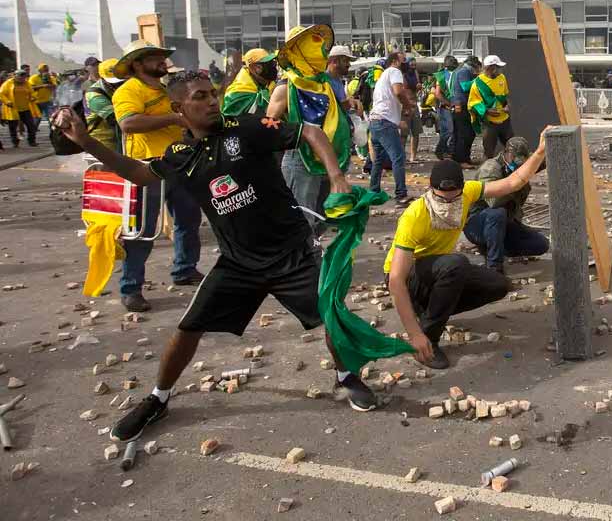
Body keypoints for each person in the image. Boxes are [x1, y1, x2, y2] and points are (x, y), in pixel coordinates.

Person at [51, 70, 381, 441]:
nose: (211, 101)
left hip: (292, 253)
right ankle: (158, 398)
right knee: (187, 329)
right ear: (179, 108)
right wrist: (84, 141)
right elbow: (138, 173)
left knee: (331, 317)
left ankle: (346, 377)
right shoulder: (180, 154)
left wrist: (336, 176)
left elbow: (309, 131)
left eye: (212, 94)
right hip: (238, 263)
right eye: (200, 97)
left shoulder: (249, 126)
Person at [386, 132, 549, 369]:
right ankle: (428, 339)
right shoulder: (415, 216)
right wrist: (414, 334)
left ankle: (430, 311)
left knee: (498, 284)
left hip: (438, 270)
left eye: (454, 199)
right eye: (442, 199)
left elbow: (513, 182)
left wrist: (540, 151)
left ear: (463, 190)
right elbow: (395, 280)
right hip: (410, 278)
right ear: (431, 191)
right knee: (456, 264)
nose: (449, 205)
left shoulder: (470, 192)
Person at [111, 40, 204, 312]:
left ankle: (185, 269)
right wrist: (174, 120)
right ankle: (131, 288)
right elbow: (128, 123)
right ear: (138, 64)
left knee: (188, 220)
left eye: (163, 57)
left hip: (178, 163)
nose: (162, 61)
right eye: (155, 58)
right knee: (142, 231)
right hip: (146, 168)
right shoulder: (129, 90)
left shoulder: (164, 89)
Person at [267, 25, 354, 243]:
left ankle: (308, 252)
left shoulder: (322, 83)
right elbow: (269, 125)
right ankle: (300, 264)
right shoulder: (286, 86)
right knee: (301, 218)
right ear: (301, 51)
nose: (322, 50)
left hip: (328, 159)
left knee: (324, 214)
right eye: (313, 45)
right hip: (301, 160)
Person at [464, 137, 549, 273]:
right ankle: (494, 268)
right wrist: (516, 182)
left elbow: (540, 162)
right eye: (517, 162)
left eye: (523, 163)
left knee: (540, 245)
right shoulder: (490, 168)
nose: (520, 166)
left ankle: (495, 246)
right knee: (498, 213)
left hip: (505, 223)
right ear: (508, 154)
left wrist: (546, 149)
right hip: (478, 222)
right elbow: (494, 202)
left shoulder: (519, 165)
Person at [368, 50, 411, 206]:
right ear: (395, 61)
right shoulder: (394, 71)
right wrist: (407, 106)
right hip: (384, 122)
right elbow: (398, 91)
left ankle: (373, 192)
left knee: (378, 160)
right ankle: (401, 195)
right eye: (403, 60)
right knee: (398, 157)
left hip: (375, 121)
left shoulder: (383, 77)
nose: (406, 63)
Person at [469, 55, 514, 159]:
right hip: (489, 124)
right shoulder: (478, 84)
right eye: (498, 67)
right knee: (488, 151)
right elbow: (472, 104)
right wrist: (487, 111)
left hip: (505, 121)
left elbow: (505, 95)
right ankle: (487, 172)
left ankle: (513, 171)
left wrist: (507, 105)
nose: (500, 69)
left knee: (513, 148)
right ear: (491, 68)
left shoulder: (502, 77)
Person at [83, 58, 126, 151]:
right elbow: (117, 119)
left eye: (121, 81)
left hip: (118, 138)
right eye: (114, 82)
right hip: (102, 142)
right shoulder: (94, 95)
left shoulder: (121, 88)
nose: (119, 85)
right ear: (102, 78)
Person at [221, 48, 277, 117]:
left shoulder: (261, 82)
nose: (273, 67)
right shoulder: (237, 92)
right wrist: (274, 91)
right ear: (253, 68)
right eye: (268, 65)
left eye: (272, 63)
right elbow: (258, 110)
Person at [450, 55, 480, 167]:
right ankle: (462, 160)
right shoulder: (464, 72)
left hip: (460, 106)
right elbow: (465, 87)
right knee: (466, 133)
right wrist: (478, 78)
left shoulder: (462, 71)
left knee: (461, 133)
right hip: (462, 106)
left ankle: (461, 158)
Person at [0, 71, 40, 147]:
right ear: (15, 76)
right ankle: (15, 142)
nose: (23, 78)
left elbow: (32, 92)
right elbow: (1, 94)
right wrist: (7, 101)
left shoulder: (26, 83)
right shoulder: (8, 83)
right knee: (13, 127)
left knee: (31, 126)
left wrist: (33, 97)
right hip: (13, 109)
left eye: (24, 77)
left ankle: (32, 141)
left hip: (25, 108)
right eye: (21, 76)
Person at [432, 55, 458, 159]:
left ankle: (448, 151)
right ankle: (440, 150)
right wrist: (448, 103)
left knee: (450, 131)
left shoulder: (451, 74)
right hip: (445, 107)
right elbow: (437, 93)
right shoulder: (442, 75)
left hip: (450, 105)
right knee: (448, 130)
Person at [399, 57, 423, 163]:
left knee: (416, 132)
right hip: (405, 106)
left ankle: (413, 156)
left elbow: (417, 86)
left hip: (414, 104)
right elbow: (404, 88)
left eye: (415, 65)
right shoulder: (403, 75)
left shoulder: (415, 74)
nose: (413, 67)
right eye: (411, 65)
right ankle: (402, 156)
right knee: (404, 133)